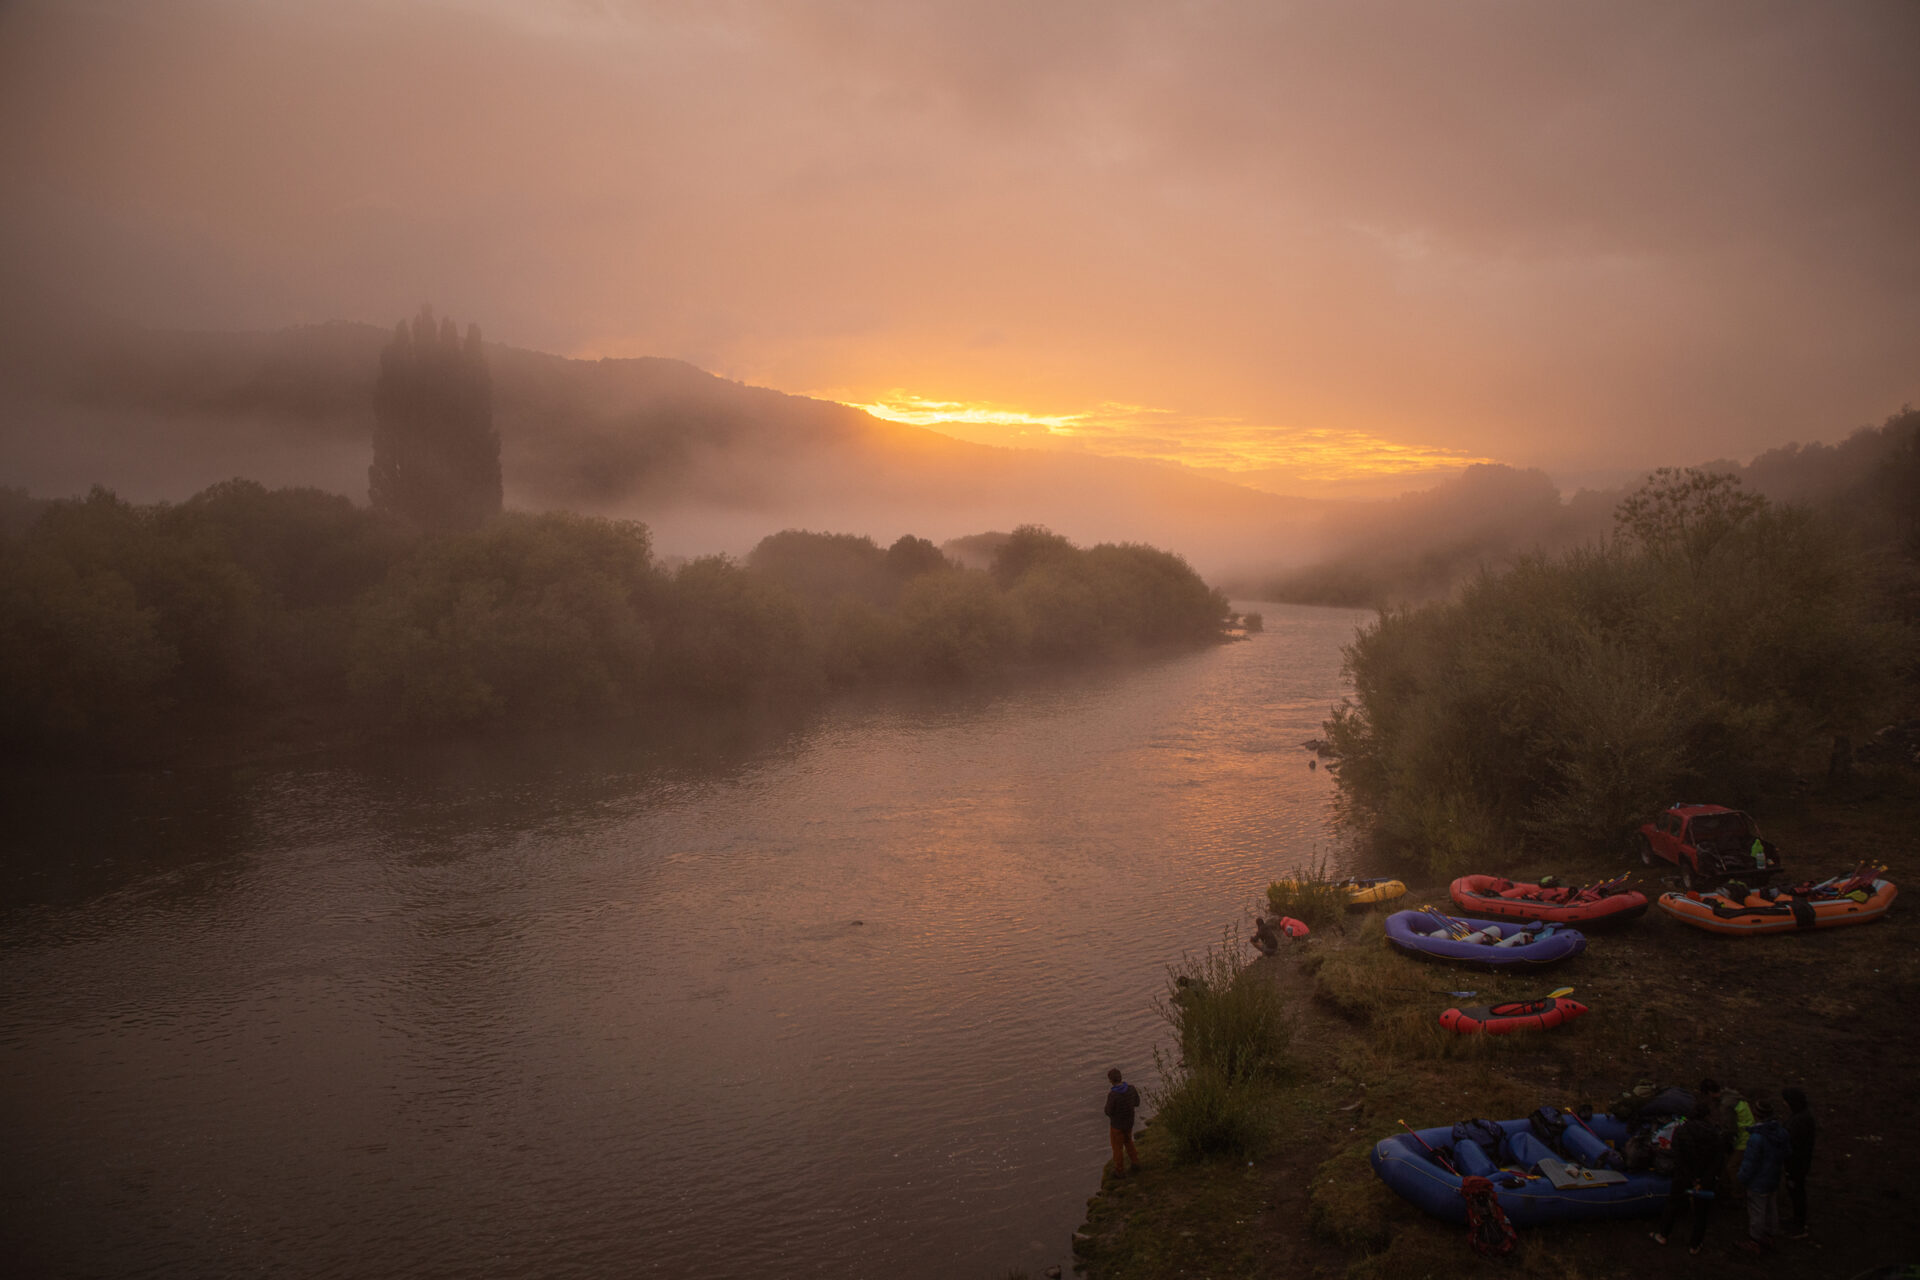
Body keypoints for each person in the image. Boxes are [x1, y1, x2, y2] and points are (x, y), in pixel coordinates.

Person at [1650, 1099, 1721, 1255]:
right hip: (1705, 1177)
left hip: (1683, 1175)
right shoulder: (1714, 1133)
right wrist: (1703, 1179)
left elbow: (1677, 1154)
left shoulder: (1682, 1130)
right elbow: (1717, 1159)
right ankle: (1695, 1245)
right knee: (1701, 1213)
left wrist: (1689, 1175)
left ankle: (1663, 1234)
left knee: (1673, 1204)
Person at [1737, 1100, 1790, 1251]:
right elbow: (1787, 1153)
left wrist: (1742, 1177)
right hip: (1773, 1176)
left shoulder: (1756, 1138)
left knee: (1757, 1210)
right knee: (1771, 1207)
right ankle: (1771, 1234)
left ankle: (1755, 1240)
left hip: (1758, 1180)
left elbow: (1750, 1162)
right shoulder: (1781, 1133)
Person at [1782, 1087, 1815, 1239]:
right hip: (1799, 1163)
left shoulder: (1799, 1121)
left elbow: (1791, 1141)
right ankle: (1797, 1220)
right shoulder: (1802, 1117)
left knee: (1796, 1192)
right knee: (1796, 1192)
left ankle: (1799, 1225)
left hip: (1796, 1164)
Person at [1104, 1068, 1143, 1177]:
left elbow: (1108, 1111)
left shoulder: (1113, 1095)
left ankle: (1119, 1171)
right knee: (1129, 1142)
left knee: (1117, 1148)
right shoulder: (1131, 1089)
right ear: (1121, 1077)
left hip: (1117, 1126)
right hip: (1129, 1123)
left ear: (1111, 1080)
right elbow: (1137, 1102)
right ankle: (1135, 1162)